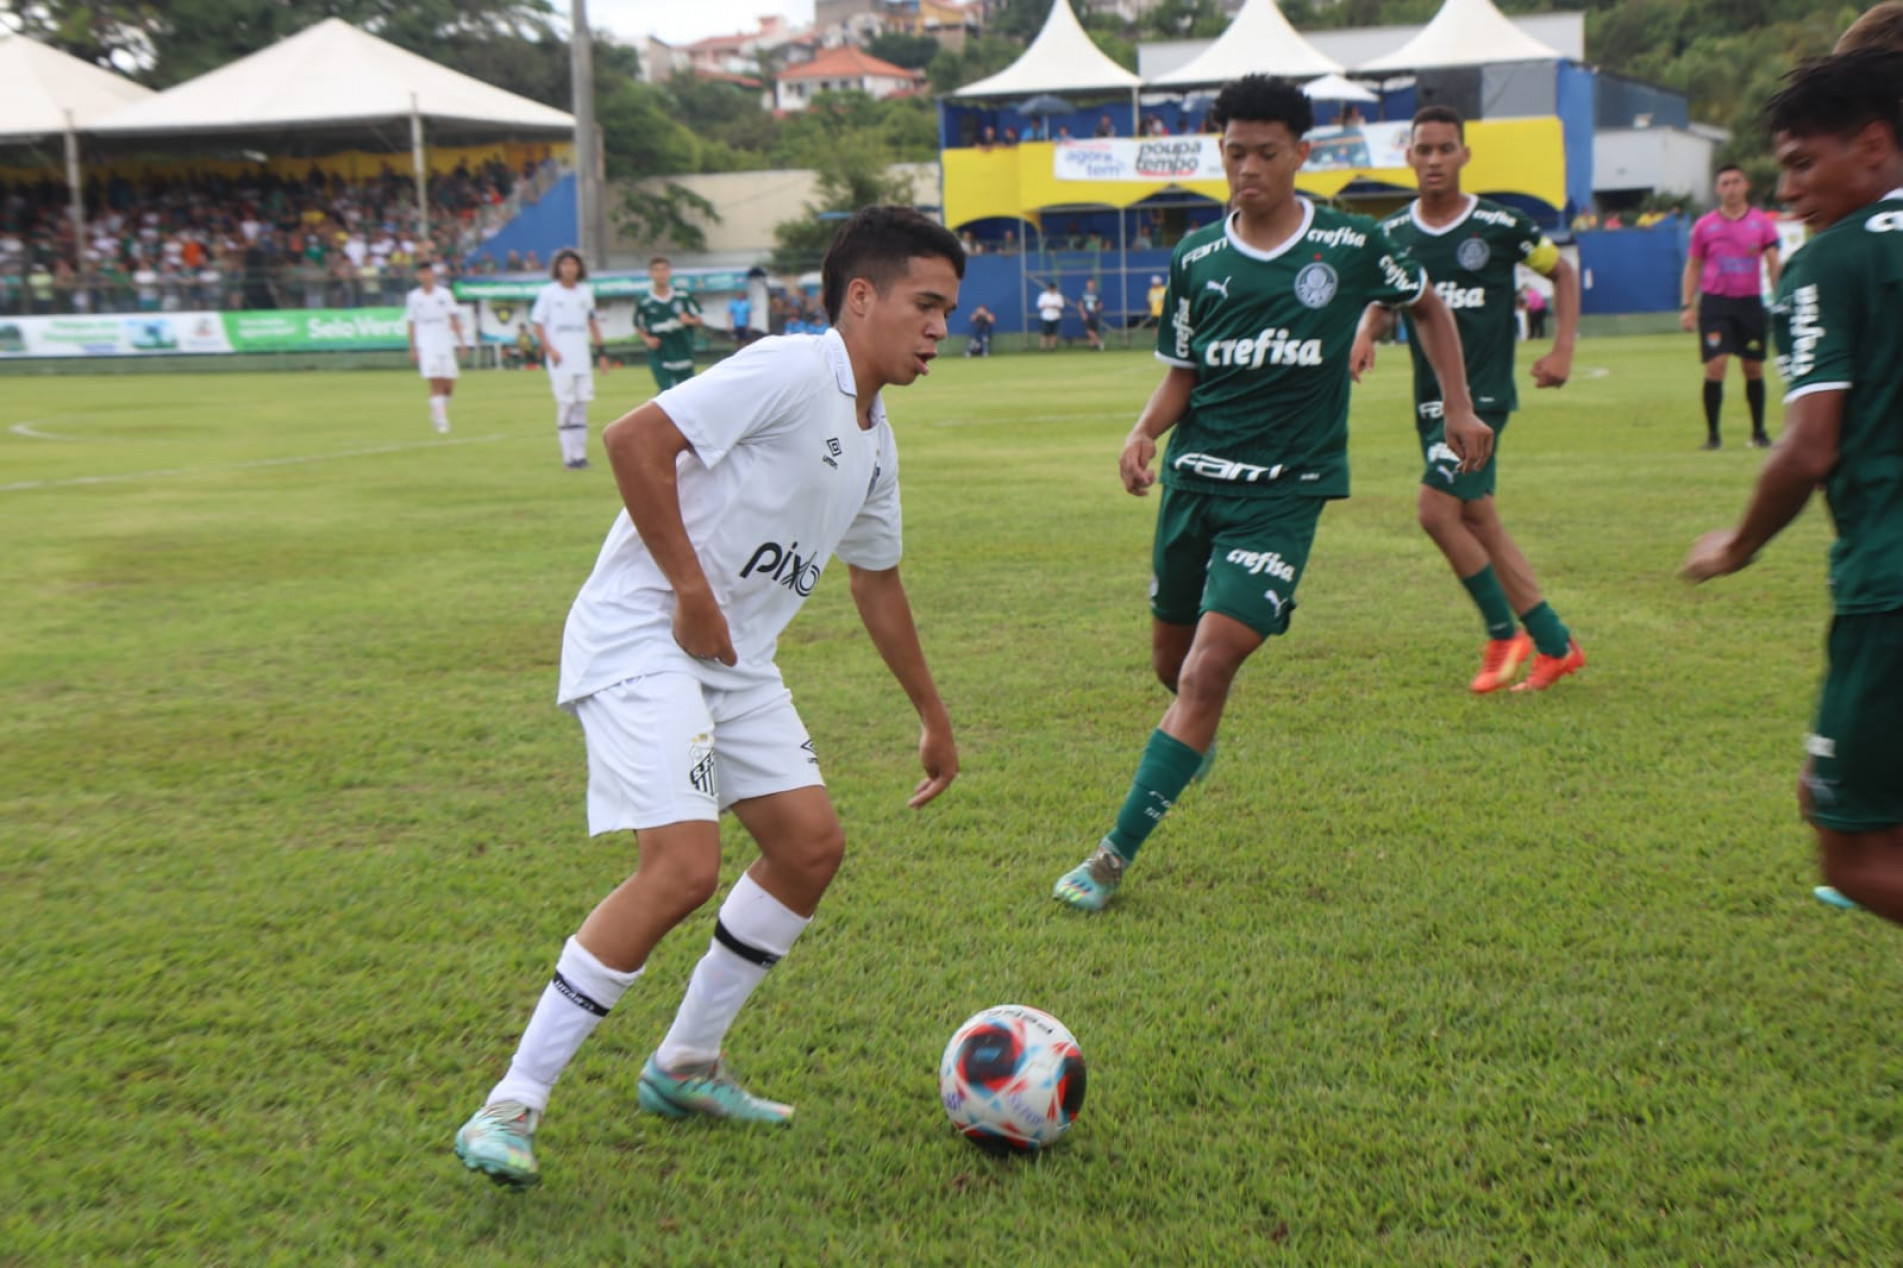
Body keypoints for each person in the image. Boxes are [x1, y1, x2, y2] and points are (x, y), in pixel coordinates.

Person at [452, 206, 964, 1188]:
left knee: (810, 845)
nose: (940, 326)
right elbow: (635, 438)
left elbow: (876, 581)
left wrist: (931, 715)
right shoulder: (786, 369)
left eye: (947, 308)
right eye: (926, 304)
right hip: (644, 634)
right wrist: (688, 586)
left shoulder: (874, 437)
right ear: (862, 298)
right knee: (682, 864)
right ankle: (510, 1102)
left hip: (734, 659)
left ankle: (685, 1062)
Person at [1051, 75, 1492, 912]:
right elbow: (1185, 371)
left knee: (1209, 667)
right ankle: (1191, 740)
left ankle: (1110, 858)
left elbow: (1427, 309)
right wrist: (1144, 430)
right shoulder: (1195, 260)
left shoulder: (1353, 245)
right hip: (1194, 482)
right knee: (1171, 667)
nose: (1246, 168)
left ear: (1300, 153)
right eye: (1233, 153)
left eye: (1263, 152)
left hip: (1284, 495)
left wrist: (1458, 406)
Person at [1681, 48, 1903, 926]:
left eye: (1805, 163)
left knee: (1845, 850)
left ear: (1874, 145)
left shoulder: (1830, 263)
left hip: (1889, 588)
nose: (1791, 190)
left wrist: (1735, 546)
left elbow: (1808, 449)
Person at [1352, 105, 1586, 694]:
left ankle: (1503, 633)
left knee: (1435, 511)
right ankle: (1557, 646)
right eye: (1423, 149)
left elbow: (1563, 274)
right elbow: (1385, 302)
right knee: (1478, 519)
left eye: (1444, 149)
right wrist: (1365, 333)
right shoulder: (1397, 235)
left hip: (1481, 402)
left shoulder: (1503, 226)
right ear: (1408, 156)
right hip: (1428, 402)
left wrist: (1561, 350)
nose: (1434, 160)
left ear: (1464, 155)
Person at [1682, 165, 1783, 449]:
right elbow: (1693, 266)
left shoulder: (1762, 223)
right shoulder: (1704, 226)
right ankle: (1713, 436)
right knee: (1716, 365)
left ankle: (1759, 432)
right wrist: (1687, 305)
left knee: (1753, 368)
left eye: (1736, 182)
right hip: (1715, 304)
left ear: (1746, 185)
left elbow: (1774, 262)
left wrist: (1781, 298)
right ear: (1718, 189)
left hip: (1749, 303)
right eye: (1725, 183)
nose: (1731, 188)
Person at [532, 248, 608, 470]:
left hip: (581, 358)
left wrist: (601, 353)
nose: (569, 268)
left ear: (579, 268)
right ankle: (568, 457)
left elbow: (592, 323)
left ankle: (580, 455)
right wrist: (549, 349)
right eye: (564, 264)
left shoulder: (585, 292)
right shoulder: (548, 293)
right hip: (560, 359)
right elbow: (538, 324)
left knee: (581, 405)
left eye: (573, 264)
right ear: (558, 267)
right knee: (566, 404)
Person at [404, 260, 467, 434]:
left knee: (449, 383)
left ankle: (438, 410)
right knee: (436, 381)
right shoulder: (414, 297)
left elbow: (454, 317)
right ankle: (441, 420)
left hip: (444, 339)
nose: (426, 276)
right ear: (418, 276)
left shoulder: (445, 294)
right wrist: (413, 347)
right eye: (423, 273)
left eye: (429, 272)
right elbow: (411, 322)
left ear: (434, 275)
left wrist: (461, 342)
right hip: (426, 341)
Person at [636, 255, 703, 393]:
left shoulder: (682, 296)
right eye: (656, 270)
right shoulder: (644, 301)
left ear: (669, 272)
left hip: (683, 351)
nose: (661, 274)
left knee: (686, 392)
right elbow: (638, 324)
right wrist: (647, 339)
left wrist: (689, 320)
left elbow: (699, 320)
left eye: (664, 270)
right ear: (650, 274)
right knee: (667, 391)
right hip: (660, 354)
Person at [1035, 280, 1065, 351]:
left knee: (1053, 333)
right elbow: (1039, 306)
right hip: (1045, 317)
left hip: (1055, 317)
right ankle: (1043, 348)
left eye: (1053, 288)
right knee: (1044, 333)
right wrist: (1047, 306)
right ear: (1048, 288)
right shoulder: (1043, 296)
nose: (1052, 290)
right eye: (1050, 288)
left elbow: (1061, 306)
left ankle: (1052, 348)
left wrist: (1055, 306)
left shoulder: (1059, 296)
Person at [1077, 278, 1105, 351]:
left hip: (1094, 315)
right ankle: (1100, 342)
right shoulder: (1083, 294)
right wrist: (1082, 313)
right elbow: (1080, 304)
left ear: (1094, 285)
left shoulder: (1097, 294)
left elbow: (1100, 304)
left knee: (1094, 331)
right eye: (1089, 284)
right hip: (1087, 315)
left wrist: (1096, 309)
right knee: (1089, 331)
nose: (1091, 285)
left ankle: (1093, 347)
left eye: (1092, 284)